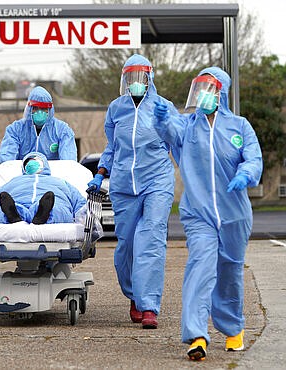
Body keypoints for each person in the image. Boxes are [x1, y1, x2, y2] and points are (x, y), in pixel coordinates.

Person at [153, 67, 263, 361]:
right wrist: (163, 120)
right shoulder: (188, 126)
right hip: (199, 214)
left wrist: (246, 173)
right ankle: (197, 335)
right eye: (199, 88)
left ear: (221, 94)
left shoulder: (239, 127)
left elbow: (253, 158)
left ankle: (231, 329)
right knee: (201, 267)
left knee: (229, 273)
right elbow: (170, 130)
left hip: (235, 216)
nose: (203, 94)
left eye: (209, 89)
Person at [87, 54, 178, 329]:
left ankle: (149, 305)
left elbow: (180, 142)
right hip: (124, 184)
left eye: (141, 77)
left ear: (150, 78)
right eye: (131, 78)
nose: (136, 83)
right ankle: (134, 295)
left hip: (157, 181)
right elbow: (112, 147)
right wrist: (101, 172)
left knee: (150, 240)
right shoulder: (116, 109)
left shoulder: (164, 107)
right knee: (126, 245)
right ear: (124, 80)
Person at [0, 152, 85, 225]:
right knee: (1, 211)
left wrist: (84, 219)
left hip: (52, 203)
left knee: (58, 210)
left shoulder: (61, 182)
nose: (33, 164)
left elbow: (80, 203)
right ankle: (14, 213)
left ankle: (40, 213)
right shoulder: (13, 182)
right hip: (18, 202)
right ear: (24, 166)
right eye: (29, 162)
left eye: (37, 161)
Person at [0, 86, 77, 164]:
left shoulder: (62, 130)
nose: (39, 112)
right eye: (35, 108)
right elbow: (6, 161)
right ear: (29, 108)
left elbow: (69, 162)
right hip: (23, 176)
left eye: (43, 108)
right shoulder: (15, 130)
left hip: (52, 176)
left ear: (50, 109)